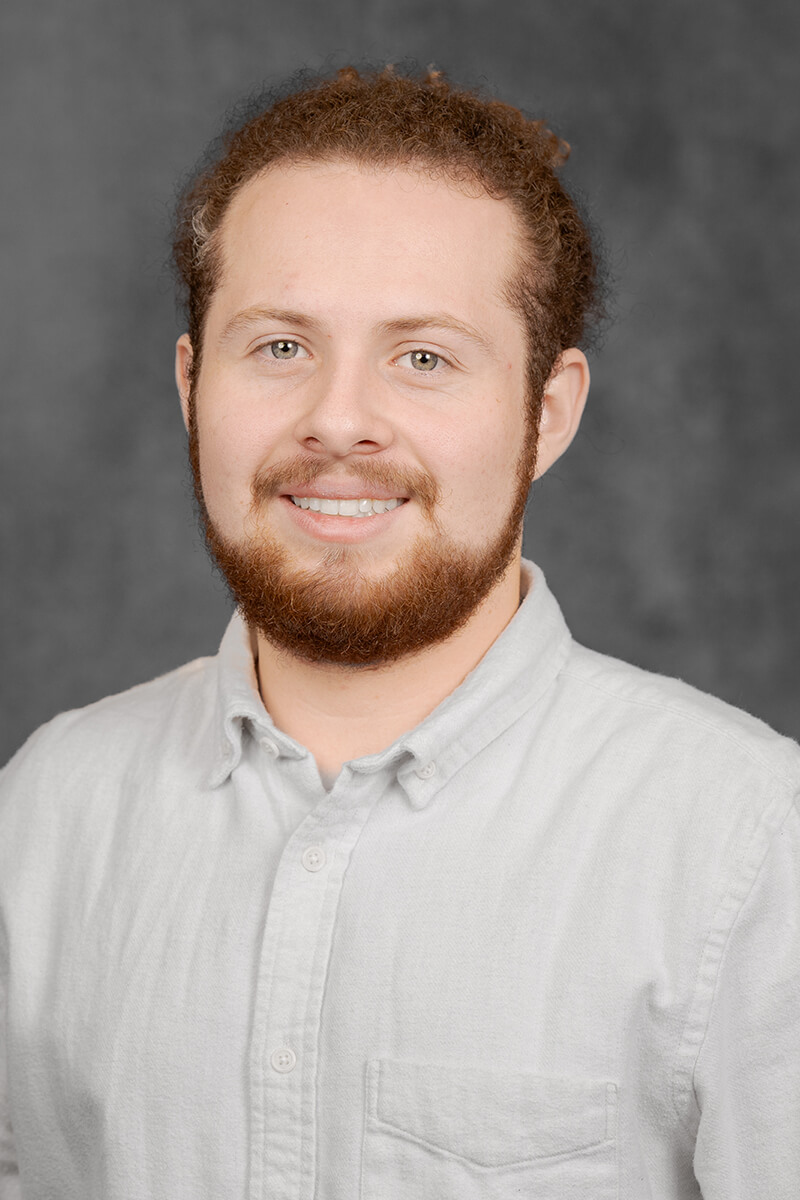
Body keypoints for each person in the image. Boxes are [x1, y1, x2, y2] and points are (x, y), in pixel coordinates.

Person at [0, 65, 797, 1200]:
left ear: (547, 412)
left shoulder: (749, 847)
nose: (337, 420)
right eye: (279, 347)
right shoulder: (43, 816)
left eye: (422, 357)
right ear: (190, 388)